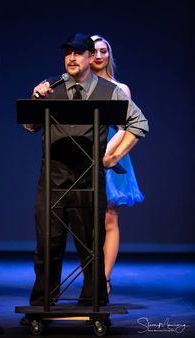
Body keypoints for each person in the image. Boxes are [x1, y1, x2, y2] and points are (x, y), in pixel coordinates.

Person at [23, 33, 149, 308]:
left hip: (87, 181)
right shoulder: (51, 88)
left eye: (78, 53)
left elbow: (139, 123)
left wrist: (112, 156)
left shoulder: (109, 91)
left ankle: (93, 302)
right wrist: (36, 99)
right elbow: (30, 126)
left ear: (92, 58)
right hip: (53, 180)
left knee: (91, 247)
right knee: (47, 247)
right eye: (67, 52)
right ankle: (42, 304)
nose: (71, 58)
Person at [90, 35, 145, 294]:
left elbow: (126, 128)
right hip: (83, 151)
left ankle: (105, 280)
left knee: (110, 217)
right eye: (94, 51)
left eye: (104, 51)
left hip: (111, 153)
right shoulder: (77, 86)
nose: (99, 56)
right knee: (86, 219)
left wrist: (106, 156)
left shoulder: (120, 89)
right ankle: (90, 278)